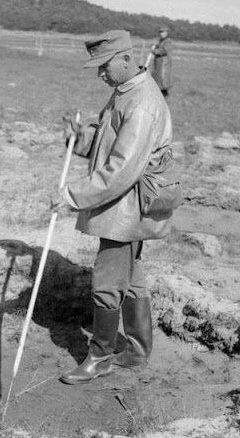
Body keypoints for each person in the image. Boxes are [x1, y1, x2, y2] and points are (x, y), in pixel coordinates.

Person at [53, 30, 179, 385]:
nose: (101, 74)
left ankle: (101, 356)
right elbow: (109, 145)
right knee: (132, 280)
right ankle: (137, 351)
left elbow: (121, 169)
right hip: (122, 204)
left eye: (104, 66)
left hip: (127, 208)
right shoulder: (124, 92)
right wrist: (82, 138)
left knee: (107, 282)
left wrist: (69, 196)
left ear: (126, 58)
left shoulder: (141, 102)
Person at [150, 26, 173, 98]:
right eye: (160, 32)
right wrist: (155, 46)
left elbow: (164, 51)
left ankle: (165, 95)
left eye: (163, 32)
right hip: (158, 63)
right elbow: (159, 47)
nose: (161, 34)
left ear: (166, 33)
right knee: (158, 79)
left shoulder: (168, 41)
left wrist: (154, 51)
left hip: (164, 64)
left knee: (162, 80)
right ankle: (160, 95)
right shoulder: (161, 41)